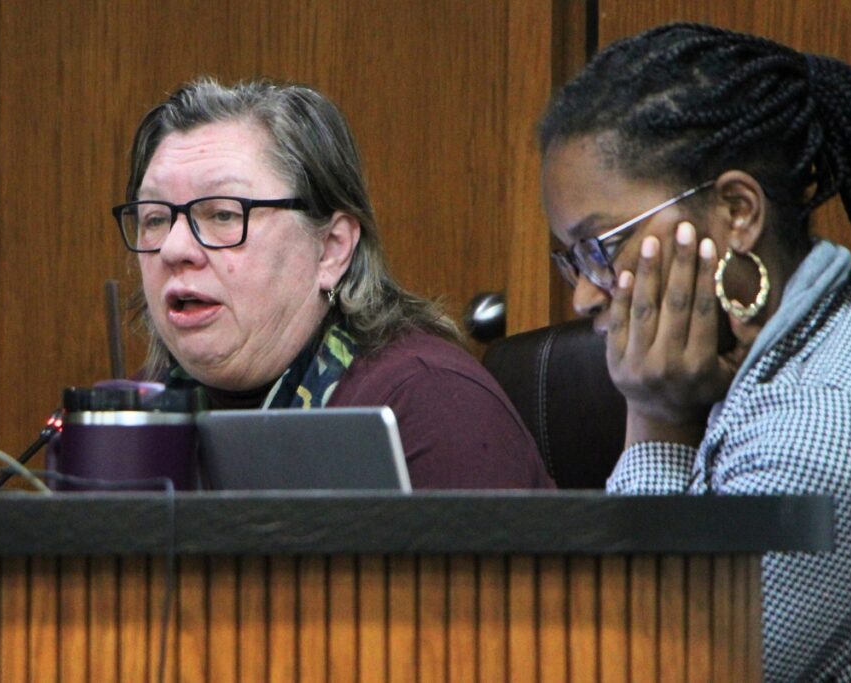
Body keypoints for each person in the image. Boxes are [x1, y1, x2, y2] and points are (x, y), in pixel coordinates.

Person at [538, 23, 851, 681]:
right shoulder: (795, 340)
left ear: (737, 210)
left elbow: (637, 665)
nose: (584, 298)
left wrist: (652, 419)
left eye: (603, 247)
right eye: (574, 261)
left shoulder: (833, 429)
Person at [113, 77, 554, 490]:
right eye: (155, 219)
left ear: (331, 249)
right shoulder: (130, 415)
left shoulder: (433, 405)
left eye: (224, 215)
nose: (173, 249)